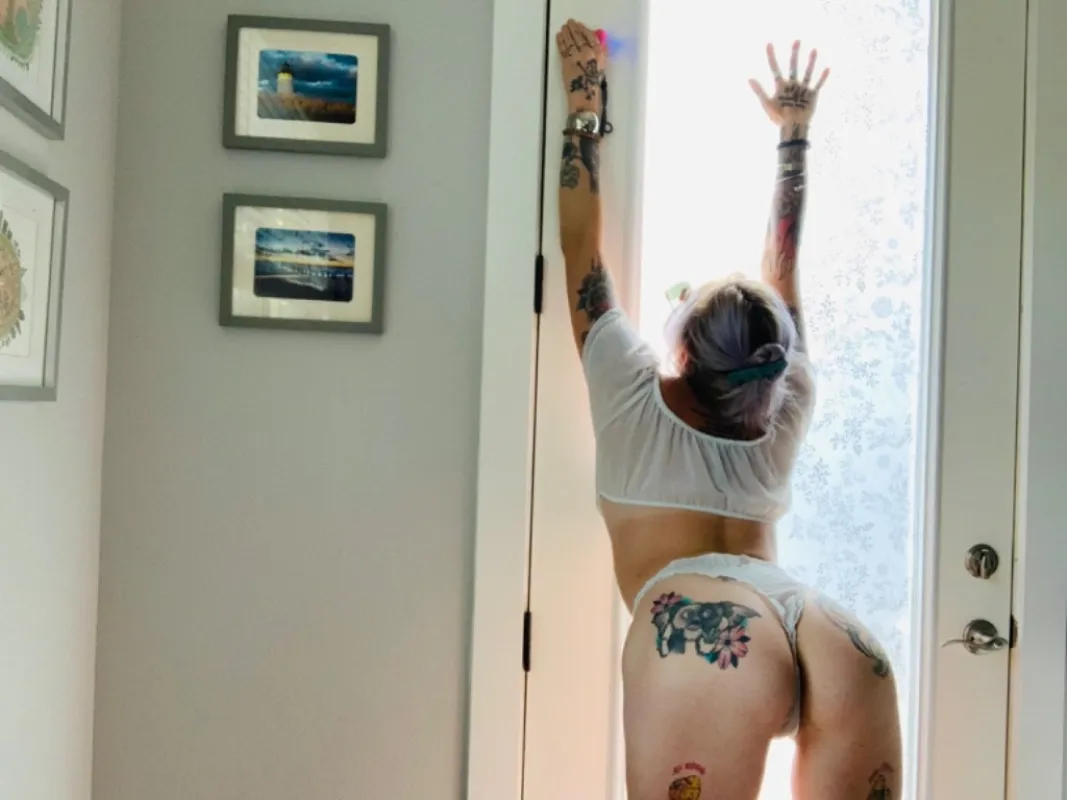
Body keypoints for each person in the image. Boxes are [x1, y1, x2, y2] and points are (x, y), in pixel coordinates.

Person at [555, 19, 902, 800]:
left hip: (707, 638)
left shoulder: (630, 393)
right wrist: (793, 136)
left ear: (682, 353)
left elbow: (580, 248)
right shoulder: (788, 396)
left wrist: (583, 100)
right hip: (830, 635)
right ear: (769, 359)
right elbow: (783, 270)